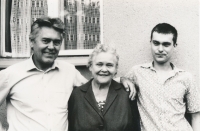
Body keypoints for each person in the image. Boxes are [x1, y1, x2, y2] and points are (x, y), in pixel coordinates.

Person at [0, 17, 135, 131]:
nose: (51, 47)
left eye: (57, 42)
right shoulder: (11, 74)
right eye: (46, 41)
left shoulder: (69, 71)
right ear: (31, 42)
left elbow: (94, 85)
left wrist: (121, 80)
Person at [122, 23, 200, 131]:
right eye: (156, 43)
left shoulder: (186, 77)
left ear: (174, 45)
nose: (160, 49)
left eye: (166, 44)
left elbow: (196, 115)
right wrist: (123, 79)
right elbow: (109, 81)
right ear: (151, 43)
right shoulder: (137, 72)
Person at [68, 44, 140, 131]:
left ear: (116, 69)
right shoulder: (77, 94)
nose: (104, 70)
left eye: (109, 65)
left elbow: (135, 127)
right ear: (90, 66)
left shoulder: (126, 94)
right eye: (99, 64)